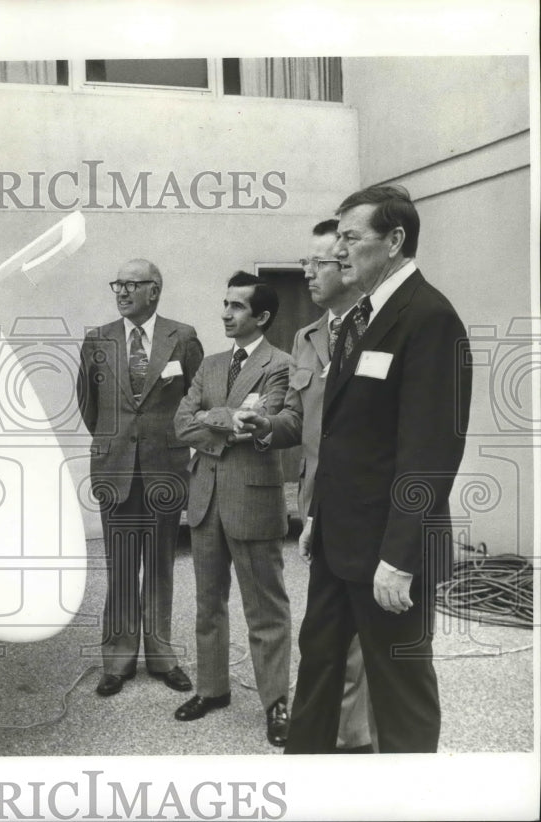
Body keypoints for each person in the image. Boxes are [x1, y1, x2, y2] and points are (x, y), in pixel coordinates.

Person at [282, 185, 471, 754]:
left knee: (401, 694)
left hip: (388, 555)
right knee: (317, 673)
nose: (338, 251)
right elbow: (344, 437)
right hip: (339, 539)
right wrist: (317, 514)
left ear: (394, 241)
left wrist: (400, 558)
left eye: (350, 238)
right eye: (337, 237)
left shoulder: (429, 318)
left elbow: (430, 454)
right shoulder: (359, 317)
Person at [235, 219, 375, 753]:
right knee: (329, 626)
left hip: (359, 501)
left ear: (346, 263)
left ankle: (352, 739)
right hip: (317, 498)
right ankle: (334, 728)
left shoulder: (374, 330)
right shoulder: (308, 337)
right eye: (305, 264)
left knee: (359, 633)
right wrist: (266, 426)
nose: (308, 273)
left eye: (318, 263)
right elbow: (297, 419)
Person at [172, 271, 292, 747]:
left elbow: (262, 424)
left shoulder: (280, 364)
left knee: (265, 608)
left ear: (261, 316)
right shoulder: (212, 363)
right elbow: (182, 424)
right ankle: (212, 688)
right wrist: (223, 417)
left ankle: (276, 703)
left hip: (253, 499)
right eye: (225, 303)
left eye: (237, 306)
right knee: (208, 603)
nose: (225, 312)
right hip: (206, 498)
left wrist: (211, 420)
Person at [77, 258, 203, 696]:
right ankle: (118, 659)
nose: (122, 291)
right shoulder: (97, 340)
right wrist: (118, 445)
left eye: (133, 284)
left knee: (161, 566)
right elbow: (89, 405)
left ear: (155, 290)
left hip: (164, 469)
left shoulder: (182, 338)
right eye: (118, 284)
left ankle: (162, 656)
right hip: (115, 471)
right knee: (121, 567)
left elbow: (194, 401)